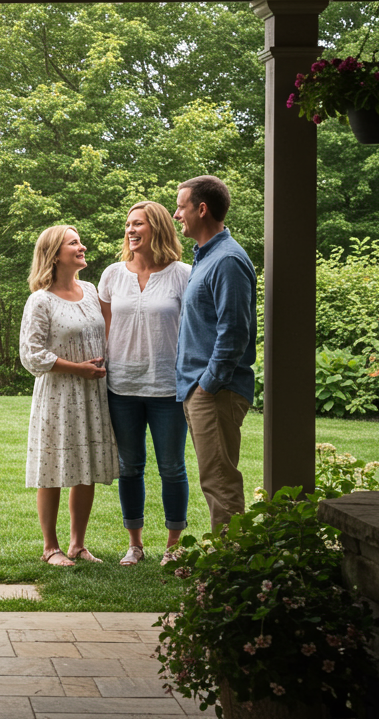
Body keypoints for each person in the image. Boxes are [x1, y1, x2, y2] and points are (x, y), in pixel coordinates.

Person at [98, 201, 193, 566]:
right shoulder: (112, 275)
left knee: (172, 467)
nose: (130, 230)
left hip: (168, 387)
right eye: (128, 224)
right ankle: (135, 545)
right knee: (129, 466)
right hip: (121, 386)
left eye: (138, 223)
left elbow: (192, 330)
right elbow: (104, 329)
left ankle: (173, 545)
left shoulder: (183, 274)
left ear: (158, 228)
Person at [19, 225, 118, 567]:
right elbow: (31, 354)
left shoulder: (90, 291)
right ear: (54, 254)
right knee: (53, 467)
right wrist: (78, 369)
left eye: (80, 241)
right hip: (58, 395)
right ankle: (51, 547)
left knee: (84, 466)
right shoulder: (41, 300)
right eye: (73, 243)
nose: (82, 246)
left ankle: (78, 545)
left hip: (92, 393)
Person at [173, 175, 257, 534]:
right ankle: (228, 557)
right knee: (214, 479)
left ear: (202, 209)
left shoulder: (227, 260)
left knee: (220, 482)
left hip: (216, 392)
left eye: (181, 206)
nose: (176, 214)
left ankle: (231, 560)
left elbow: (234, 332)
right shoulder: (206, 257)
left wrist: (207, 386)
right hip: (202, 390)